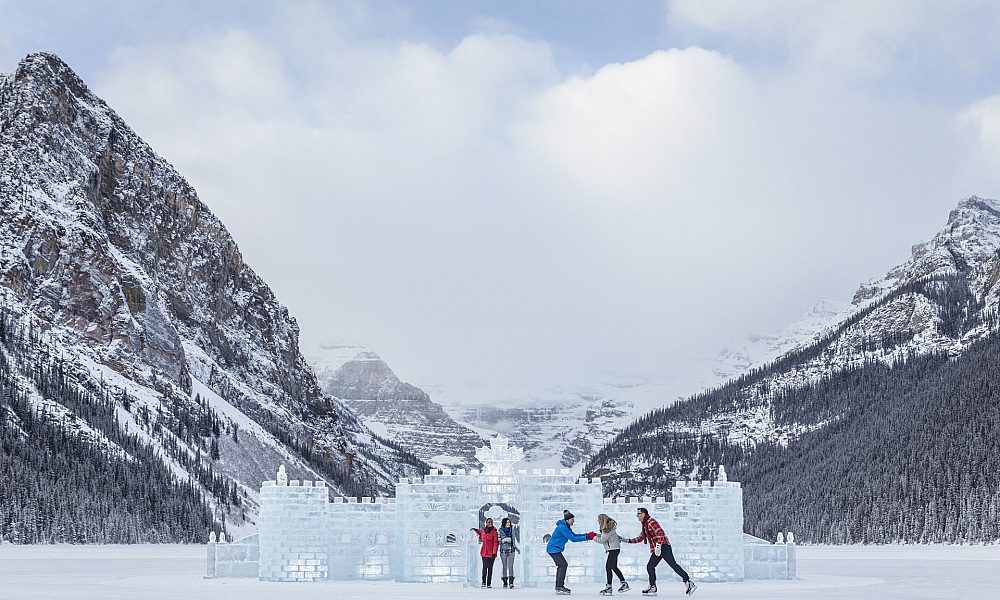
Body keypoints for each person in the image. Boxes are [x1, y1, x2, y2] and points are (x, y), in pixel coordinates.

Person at [625, 507, 696, 596]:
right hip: (658, 548)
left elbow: (661, 533)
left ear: (643, 514)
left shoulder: (651, 522)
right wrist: (627, 540)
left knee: (673, 565)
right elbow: (641, 538)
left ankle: (688, 582)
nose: (637, 516)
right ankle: (652, 586)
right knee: (650, 566)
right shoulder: (645, 525)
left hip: (664, 547)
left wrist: (658, 546)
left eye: (638, 514)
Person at [546, 510, 597, 595]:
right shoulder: (562, 527)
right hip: (553, 549)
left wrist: (587, 535)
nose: (573, 521)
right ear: (567, 520)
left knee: (561, 565)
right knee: (563, 565)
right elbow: (573, 539)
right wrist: (587, 537)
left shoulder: (566, 526)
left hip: (555, 549)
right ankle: (559, 587)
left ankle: (559, 586)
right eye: (572, 519)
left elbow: (575, 535)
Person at [594, 513, 628, 595]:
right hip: (613, 549)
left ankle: (609, 587)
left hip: (613, 550)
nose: (598, 522)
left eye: (599, 520)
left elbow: (602, 540)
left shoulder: (607, 529)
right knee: (613, 567)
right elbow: (604, 537)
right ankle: (624, 584)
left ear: (602, 520)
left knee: (608, 567)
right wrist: (595, 535)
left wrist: (592, 537)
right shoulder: (608, 528)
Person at [472, 518, 499, 588]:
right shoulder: (484, 530)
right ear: (486, 523)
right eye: (488, 522)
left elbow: (496, 543)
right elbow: (481, 536)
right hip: (484, 552)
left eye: (491, 522)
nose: (489, 523)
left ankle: (489, 583)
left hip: (491, 553)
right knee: (484, 568)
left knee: (490, 568)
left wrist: (494, 553)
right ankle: (483, 582)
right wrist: (477, 531)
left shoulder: (494, 532)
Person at [498, 517, 519, 589]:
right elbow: (499, 541)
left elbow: (515, 539)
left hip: (511, 550)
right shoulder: (500, 530)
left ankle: (511, 582)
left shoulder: (512, 530)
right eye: (507, 522)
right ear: (504, 523)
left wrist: (516, 547)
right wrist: (505, 540)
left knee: (510, 566)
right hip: (503, 551)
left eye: (509, 522)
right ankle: (504, 582)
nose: (508, 524)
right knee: (504, 566)